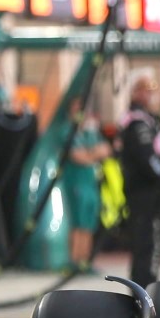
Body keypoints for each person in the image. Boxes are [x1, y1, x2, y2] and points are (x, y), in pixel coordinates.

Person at [117, 73, 160, 287]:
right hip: (145, 194)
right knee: (146, 246)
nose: (151, 96)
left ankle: (145, 287)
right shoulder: (138, 123)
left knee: (150, 246)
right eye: (147, 91)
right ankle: (143, 291)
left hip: (151, 193)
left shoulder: (149, 120)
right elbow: (147, 158)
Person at [63, 104, 109, 270]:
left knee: (89, 223)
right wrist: (93, 154)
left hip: (91, 184)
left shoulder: (90, 134)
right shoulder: (69, 133)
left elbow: (106, 150)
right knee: (78, 222)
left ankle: (85, 260)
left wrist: (91, 154)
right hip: (77, 184)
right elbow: (78, 156)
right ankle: (74, 261)